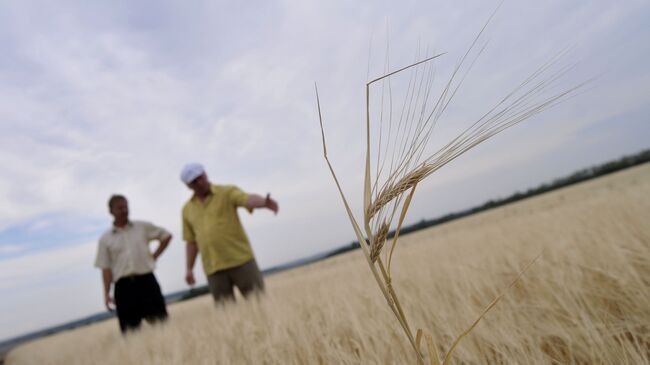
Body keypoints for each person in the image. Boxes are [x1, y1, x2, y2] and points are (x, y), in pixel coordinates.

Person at [180, 163, 279, 303]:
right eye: (194, 182)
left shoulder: (226, 192)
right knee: (226, 315)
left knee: (260, 303)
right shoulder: (186, 210)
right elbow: (191, 242)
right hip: (213, 268)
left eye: (200, 177)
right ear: (188, 186)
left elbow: (246, 199)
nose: (200, 183)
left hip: (241, 261)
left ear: (205, 174)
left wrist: (263, 202)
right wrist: (189, 269)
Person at [94, 194, 172, 333]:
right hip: (123, 288)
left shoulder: (142, 227)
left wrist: (155, 256)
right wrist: (106, 294)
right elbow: (105, 268)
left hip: (147, 282)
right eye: (120, 208)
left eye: (126, 207)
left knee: (163, 326)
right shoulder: (105, 239)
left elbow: (166, 236)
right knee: (130, 333)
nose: (124, 210)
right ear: (111, 211)